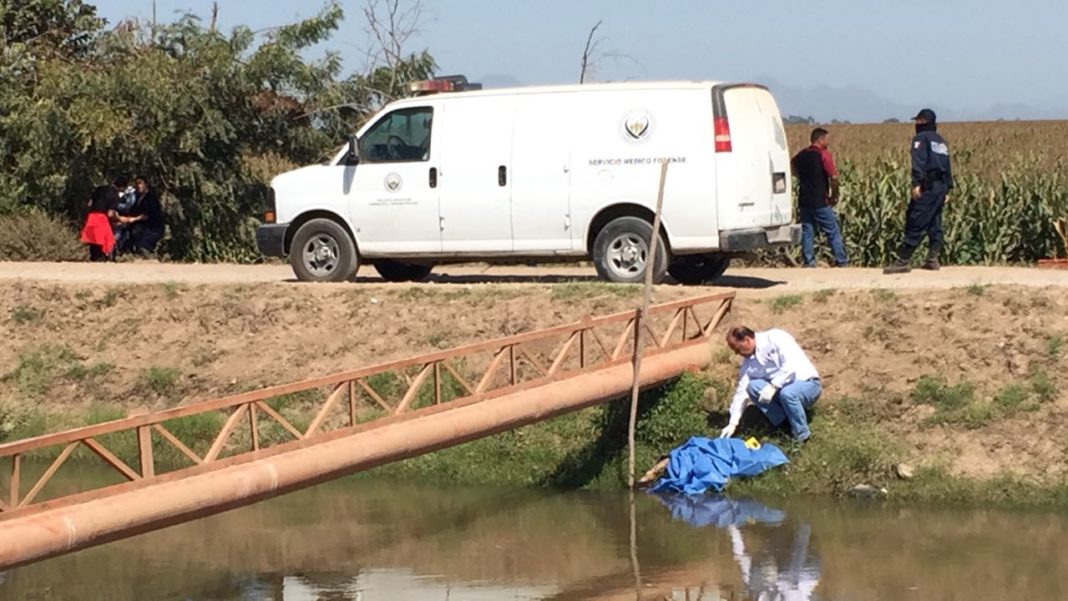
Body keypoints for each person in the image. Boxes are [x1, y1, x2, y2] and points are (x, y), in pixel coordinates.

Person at [719, 326, 821, 443]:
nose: (737, 353)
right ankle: (784, 424)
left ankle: (801, 435)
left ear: (747, 340)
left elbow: (790, 365)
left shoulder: (775, 338)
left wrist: (773, 386)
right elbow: (741, 393)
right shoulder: (748, 364)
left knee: (787, 393)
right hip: (782, 391)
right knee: (753, 387)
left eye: (737, 349)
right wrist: (733, 423)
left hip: (807, 384)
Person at [884, 108, 954, 274]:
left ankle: (903, 260)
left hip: (928, 185)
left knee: (917, 218)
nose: (915, 124)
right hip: (941, 185)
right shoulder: (940, 141)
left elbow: (919, 161)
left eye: (918, 120)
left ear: (922, 122)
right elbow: (947, 165)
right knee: (934, 221)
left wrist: (917, 183)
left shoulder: (920, 138)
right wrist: (947, 188)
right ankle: (932, 258)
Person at [791, 127, 848, 267]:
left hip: (804, 200)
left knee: (807, 232)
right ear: (820, 140)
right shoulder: (823, 155)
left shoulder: (802, 155)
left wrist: (801, 177)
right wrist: (834, 195)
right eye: (827, 139)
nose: (828, 142)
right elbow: (834, 177)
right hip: (820, 201)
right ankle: (841, 261)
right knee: (832, 231)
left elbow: (792, 164)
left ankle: (809, 262)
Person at [118, 176, 165, 253]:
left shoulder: (151, 198)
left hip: (151, 228)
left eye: (140, 183)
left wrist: (133, 219)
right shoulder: (137, 198)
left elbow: (147, 215)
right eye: (136, 183)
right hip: (139, 227)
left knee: (142, 245)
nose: (138, 186)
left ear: (146, 184)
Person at [80, 185, 118, 261]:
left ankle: (94, 257)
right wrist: (119, 218)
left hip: (92, 217)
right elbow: (110, 214)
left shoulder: (98, 190)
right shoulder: (114, 194)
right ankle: (103, 257)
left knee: (93, 239)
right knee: (104, 239)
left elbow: (89, 204)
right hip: (102, 218)